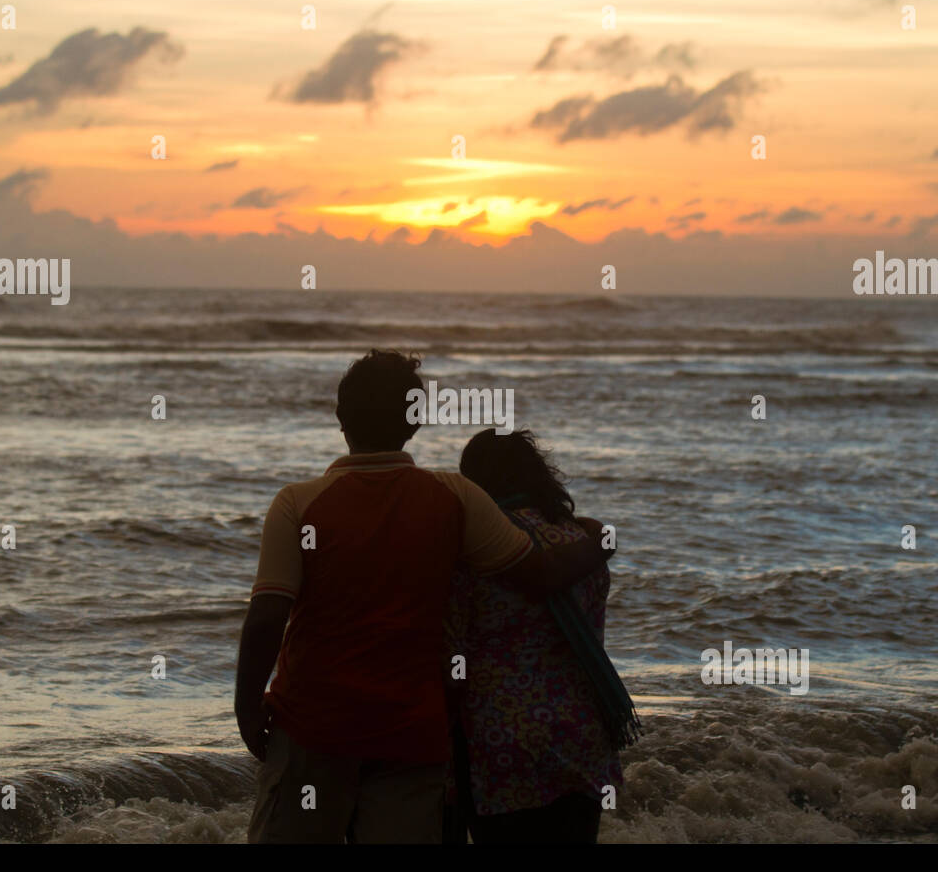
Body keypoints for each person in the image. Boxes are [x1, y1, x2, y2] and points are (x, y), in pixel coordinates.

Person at [235, 350, 614, 843]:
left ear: (340, 417)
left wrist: (247, 706)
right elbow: (542, 574)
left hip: (314, 728)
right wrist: (602, 542)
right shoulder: (456, 498)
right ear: (414, 424)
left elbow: (268, 616)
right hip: (410, 736)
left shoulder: (297, 503)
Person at [444, 428, 638, 844]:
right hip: (582, 731)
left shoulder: (474, 550)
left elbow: (452, 656)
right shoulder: (580, 539)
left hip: (500, 739)